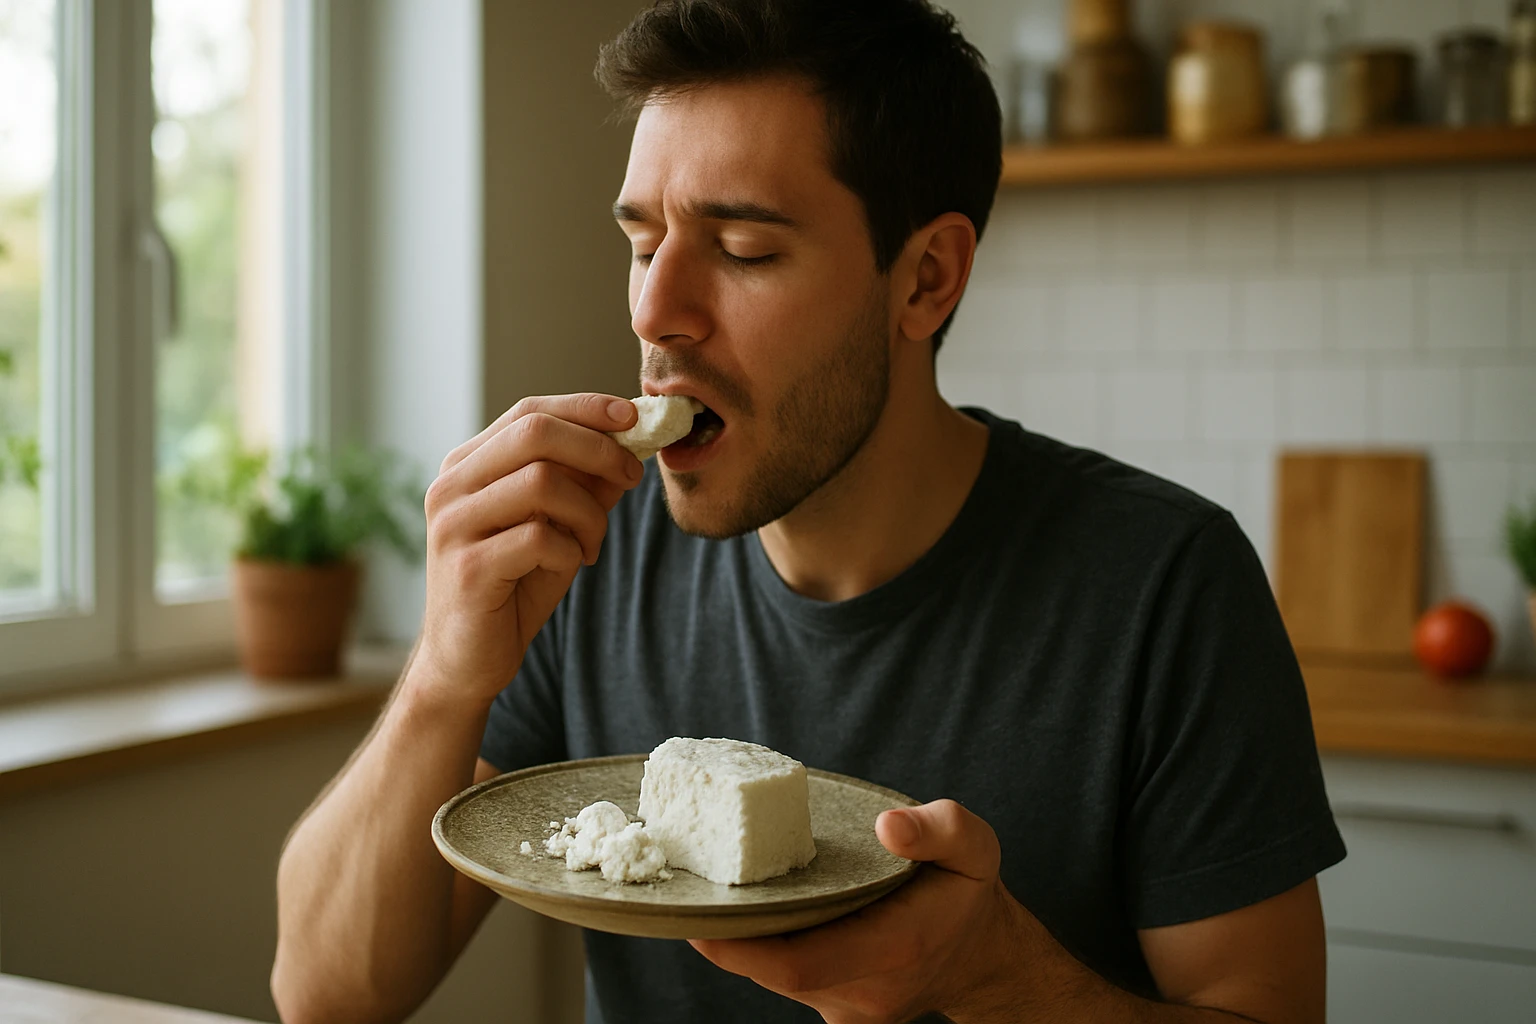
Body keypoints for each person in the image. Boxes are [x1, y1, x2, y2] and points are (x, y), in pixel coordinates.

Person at [271, 2, 1345, 1022]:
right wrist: (442, 676)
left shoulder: (1164, 584)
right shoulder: (587, 544)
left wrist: (997, 979)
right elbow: (325, 999)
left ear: (926, 280)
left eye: (743, 250)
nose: (655, 311)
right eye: (642, 244)